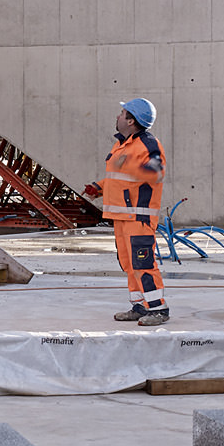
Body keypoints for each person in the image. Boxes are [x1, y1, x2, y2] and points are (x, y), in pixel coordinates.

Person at [88, 97, 169, 324]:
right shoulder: (122, 145)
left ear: (131, 120)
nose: (117, 116)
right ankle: (140, 306)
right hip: (121, 217)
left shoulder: (148, 144)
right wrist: (100, 187)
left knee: (143, 263)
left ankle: (159, 309)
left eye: (122, 114)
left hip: (138, 217)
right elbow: (119, 178)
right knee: (129, 264)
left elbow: (156, 172)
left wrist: (128, 166)